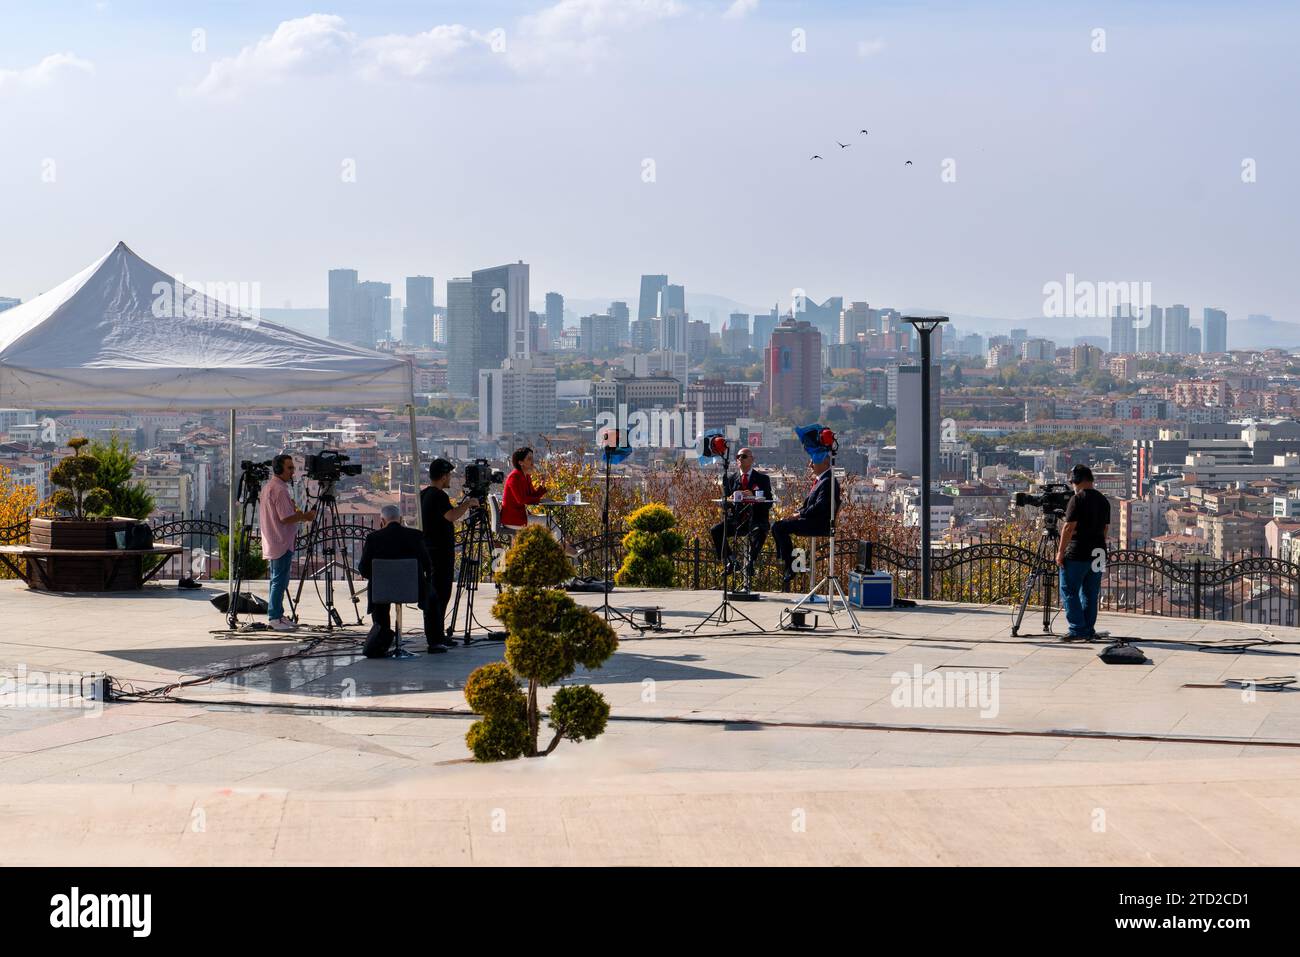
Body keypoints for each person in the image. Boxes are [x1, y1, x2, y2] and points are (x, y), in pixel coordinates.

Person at [358, 505, 433, 658]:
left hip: (382, 592)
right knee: (433, 597)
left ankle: (383, 639)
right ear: (400, 519)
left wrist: (381, 578)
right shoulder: (416, 535)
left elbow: (363, 569)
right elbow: (428, 565)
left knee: (380, 601)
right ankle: (436, 641)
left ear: (382, 521)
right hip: (412, 589)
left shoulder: (373, 538)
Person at [420, 458, 478, 651]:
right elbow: (451, 516)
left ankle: (438, 635)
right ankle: (435, 638)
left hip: (429, 550)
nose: (450, 478)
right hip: (439, 552)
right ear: (443, 476)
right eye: (449, 475)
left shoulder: (424, 494)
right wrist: (468, 503)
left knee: (436, 594)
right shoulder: (438, 495)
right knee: (440, 594)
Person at [257, 453, 317, 632]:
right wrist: (305, 516)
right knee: (279, 581)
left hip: (275, 540)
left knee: (278, 579)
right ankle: (275, 617)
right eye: (289, 468)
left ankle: (278, 614)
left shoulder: (270, 487)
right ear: (279, 469)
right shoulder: (280, 489)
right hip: (281, 540)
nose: (292, 472)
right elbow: (285, 518)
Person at [1055, 463, 1112, 641]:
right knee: (1090, 592)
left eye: (1073, 482)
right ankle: (1088, 629)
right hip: (1098, 552)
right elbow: (1105, 529)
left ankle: (1077, 629)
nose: (1072, 486)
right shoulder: (1103, 500)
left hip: (1078, 552)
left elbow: (1068, 527)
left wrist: (1060, 551)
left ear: (1077, 481)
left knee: (1069, 590)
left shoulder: (1077, 499)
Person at [772, 457, 840, 589]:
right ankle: (787, 561)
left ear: (825, 462)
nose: (810, 465)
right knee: (777, 526)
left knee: (779, 528)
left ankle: (789, 564)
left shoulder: (827, 481)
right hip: (812, 519)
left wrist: (799, 514)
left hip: (818, 523)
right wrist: (797, 513)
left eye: (813, 461)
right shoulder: (823, 480)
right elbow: (812, 504)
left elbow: (820, 506)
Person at [500, 446, 578, 556]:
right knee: (549, 521)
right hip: (513, 519)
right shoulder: (515, 477)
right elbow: (521, 499)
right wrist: (539, 499)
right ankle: (563, 548)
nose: (532, 462)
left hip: (519, 517)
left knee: (551, 519)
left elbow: (532, 495)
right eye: (529, 459)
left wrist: (542, 485)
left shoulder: (525, 476)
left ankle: (560, 547)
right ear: (521, 462)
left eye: (532, 458)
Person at [710, 447, 773, 577]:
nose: (740, 459)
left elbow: (769, 503)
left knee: (760, 532)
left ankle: (750, 562)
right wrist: (730, 499)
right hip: (737, 520)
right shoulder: (730, 478)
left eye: (743, 456)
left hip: (756, 519)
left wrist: (753, 495)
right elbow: (724, 502)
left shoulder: (763, 479)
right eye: (738, 457)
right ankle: (731, 561)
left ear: (752, 460)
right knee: (716, 530)